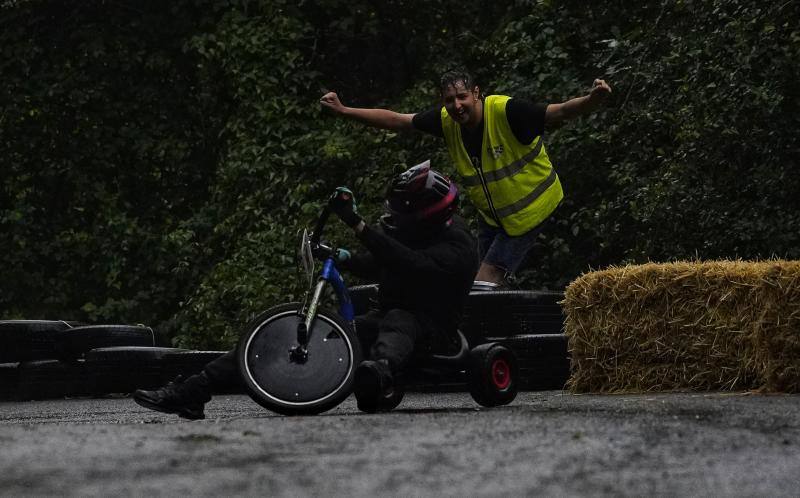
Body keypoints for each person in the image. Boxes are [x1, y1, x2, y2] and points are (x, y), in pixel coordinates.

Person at [133, 161, 478, 418]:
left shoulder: (458, 247)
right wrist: (342, 257)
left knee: (400, 319)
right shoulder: (411, 233)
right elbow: (383, 260)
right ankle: (195, 389)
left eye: (400, 213)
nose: (392, 218)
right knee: (312, 335)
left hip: (433, 331)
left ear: (425, 215)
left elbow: (408, 264)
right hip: (385, 321)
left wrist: (357, 225)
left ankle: (380, 370)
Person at [320, 70, 611, 287]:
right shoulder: (447, 121)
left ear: (476, 93)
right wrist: (345, 111)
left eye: (462, 97)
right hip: (494, 217)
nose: (457, 105)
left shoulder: (507, 111)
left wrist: (592, 99)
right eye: (450, 100)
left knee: (486, 280)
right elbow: (398, 120)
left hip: (531, 211)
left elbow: (558, 111)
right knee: (476, 278)